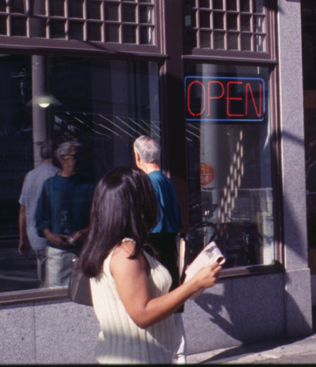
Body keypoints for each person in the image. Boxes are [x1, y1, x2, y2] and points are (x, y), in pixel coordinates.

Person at [77, 166, 222, 364]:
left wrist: (191, 283)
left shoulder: (111, 246)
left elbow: (144, 298)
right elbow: (142, 314)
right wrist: (193, 285)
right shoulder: (125, 253)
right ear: (138, 204)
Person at [35, 140, 96, 288]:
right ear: (63, 158)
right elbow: (40, 218)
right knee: (56, 297)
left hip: (84, 251)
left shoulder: (89, 185)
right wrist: (50, 235)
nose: (80, 160)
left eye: (82, 156)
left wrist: (86, 231)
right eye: (76, 156)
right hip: (58, 255)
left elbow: (101, 217)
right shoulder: (50, 185)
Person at [133, 135, 183, 287]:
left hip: (154, 247)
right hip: (170, 245)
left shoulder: (147, 182)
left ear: (137, 156)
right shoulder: (166, 181)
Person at [18, 139, 60, 287]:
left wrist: (23, 238)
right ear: (56, 153)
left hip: (35, 236)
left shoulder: (30, 175)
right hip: (53, 235)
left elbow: (23, 209)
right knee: (56, 282)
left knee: (43, 277)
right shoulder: (57, 174)